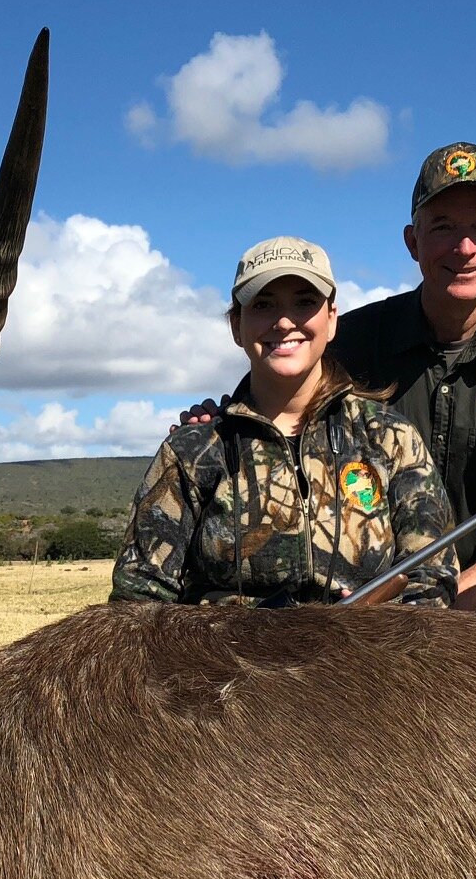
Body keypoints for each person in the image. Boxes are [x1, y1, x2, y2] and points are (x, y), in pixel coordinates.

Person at [181, 143, 476, 650]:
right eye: (443, 226)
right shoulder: (349, 342)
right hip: (375, 605)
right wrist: (211, 428)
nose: (464, 247)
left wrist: (453, 595)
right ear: (412, 241)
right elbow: (265, 425)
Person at [112, 237, 457, 608]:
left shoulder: (390, 439)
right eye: (263, 304)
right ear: (236, 326)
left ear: (332, 319)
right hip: (223, 662)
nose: (284, 321)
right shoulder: (191, 454)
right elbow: (138, 598)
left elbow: (433, 578)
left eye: (305, 302)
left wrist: (374, 632)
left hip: (366, 659)